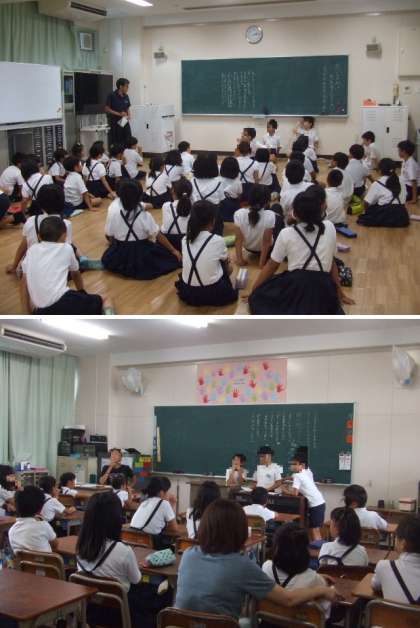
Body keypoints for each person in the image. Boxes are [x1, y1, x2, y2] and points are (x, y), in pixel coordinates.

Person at [175, 499, 338, 622]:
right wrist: (322, 590)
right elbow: (288, 599)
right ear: (239, 531)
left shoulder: (188, 554)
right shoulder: (241, 565)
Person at [249, 186, 353, 315]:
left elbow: (271, 266)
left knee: (263, 298)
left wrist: (254, 291)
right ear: (321, 210)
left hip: (296, 286)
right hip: (324, 288)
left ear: (295, 213)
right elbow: (332, 264)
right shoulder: (330, 227)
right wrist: (340, 293)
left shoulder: (286, 233)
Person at [76, 491, 144, 626]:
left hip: (89, 611)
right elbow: (136, 580)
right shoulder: (124, 551)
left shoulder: (81, 546)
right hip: (118, 614)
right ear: (117, 519)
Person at [21, 216, 109, 315]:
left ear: (39, 236)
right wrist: (82, 293)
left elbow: (24, 283)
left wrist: (27, 313)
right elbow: (75, 274)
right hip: (62, 301)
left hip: (41, 310)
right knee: (105, 300)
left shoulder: (31, 250)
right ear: (64, 236)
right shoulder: (66, 248)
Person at [102, 179, 181, 280]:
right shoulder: (144, 215)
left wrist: (115, 246)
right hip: (140, 251)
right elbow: (158, 235)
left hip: (121, 249)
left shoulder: (113, 209)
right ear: (139, 197)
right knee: (168, 258)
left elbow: (109, 234)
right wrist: (173, 250)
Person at [262, 523, 331, 620]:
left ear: (277, 548)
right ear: (305, 550)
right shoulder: (314, 579)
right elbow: (323, 615)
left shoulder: (266, 567)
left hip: (268, 622)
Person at [175, 201, 238, 307]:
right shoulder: (217, 240)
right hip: (212, 292)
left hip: (189, 291)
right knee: (226, 265)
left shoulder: (184, 239)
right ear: (213, 221)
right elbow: (227, 269)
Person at [7, 184, 73, 276]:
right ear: (62, 202)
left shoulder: (31, 221)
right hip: (55, 270)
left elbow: (23, 245)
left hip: (32, 269)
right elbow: (66, 250)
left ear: (40, 204)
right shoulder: (66, 224)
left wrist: (14, 266)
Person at [371, 515, 420, 605]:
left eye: (396, 537)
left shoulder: (384, 566)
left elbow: (375, 586)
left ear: (403, 543)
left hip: (390, 614)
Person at [357, 158, 409, 228]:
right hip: (401, 216)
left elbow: (366, 203)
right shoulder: (401, 180)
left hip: (385, 215)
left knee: (363, 216)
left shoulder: (377, 183)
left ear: (380, 170)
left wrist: (367, 211)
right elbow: (405, 197)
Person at [233, 184, 276, 268]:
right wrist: (261, 264)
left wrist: (240, 260)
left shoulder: (239, 213)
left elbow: (238, 239)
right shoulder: (270, 215)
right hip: (265, 250)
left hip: (248, 248)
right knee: (276, 209)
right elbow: (266, 242)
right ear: (267, 202)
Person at [131, 476, 178, 547]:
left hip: (133, 541)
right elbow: (174, 528)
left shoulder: (145, 502)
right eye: (166, 491)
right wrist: (173, 503)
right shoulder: (164, 503)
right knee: (172, 549)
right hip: (150, 545)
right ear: (161, 492)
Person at [8, 485, 58, 554]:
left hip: (22, 561)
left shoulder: (12, 530)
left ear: (16, 506)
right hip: (46, 561)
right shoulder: (43, 525)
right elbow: (55, 544)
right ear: (40, 509)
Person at [287, 456, 326, 541]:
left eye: (295, 464)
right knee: (313, 528)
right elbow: (291, 477)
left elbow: (295, 493)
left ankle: (318, 547)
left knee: (315, 529)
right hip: (320, 503)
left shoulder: (297, 476)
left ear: (302, 465)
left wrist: (285, 490)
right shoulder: (305, 472)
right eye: (291, 464)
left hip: (316, 504)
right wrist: (284, 479)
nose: (292, 466)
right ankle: (315, 546)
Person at [160, 177, 192, 252]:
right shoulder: (194, 207)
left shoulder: (166, 205)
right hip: (188, 241)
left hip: (169, 241)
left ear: (173, 191)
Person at [105, 77, 133, 147]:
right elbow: (107, 109)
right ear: (121, 86)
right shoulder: (111, 95)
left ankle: (128, 152)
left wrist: (129, 115)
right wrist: (119, 114)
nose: (128, 88)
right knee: (118, 140)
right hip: (115, 122)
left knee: (128, 137)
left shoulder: (126, 96)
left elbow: (127, 107)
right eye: (126, 86)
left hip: (124, 120)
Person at [218, 156, 243, 222]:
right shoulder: (238, 182)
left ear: (222, 168)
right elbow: (239, 195)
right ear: (237, 169)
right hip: (233, 208)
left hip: (220, 207)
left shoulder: (218, 180)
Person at [398, 139, 420, 205]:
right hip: (405, 185)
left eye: (399, 150)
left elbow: (414, 182)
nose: (398, 152)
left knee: (399, 200)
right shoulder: (405, 160)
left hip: (410, 188)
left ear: (404, 152)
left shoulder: (411, 164)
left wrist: (414, 199)